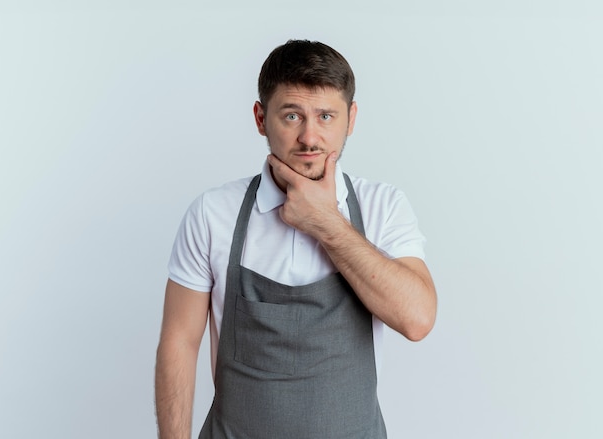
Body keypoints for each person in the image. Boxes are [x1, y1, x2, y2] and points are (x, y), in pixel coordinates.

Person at [155, 39, 437, 439]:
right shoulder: (213, 213)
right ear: (260, 118)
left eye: (326, 116)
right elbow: (179, 342)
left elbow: (417, 319)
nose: (309, 137)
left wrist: (327, 222)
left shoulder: (383, 206)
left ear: (350, 119)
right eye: (292, 116)